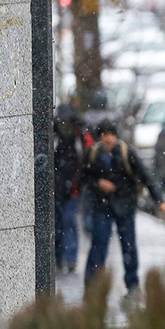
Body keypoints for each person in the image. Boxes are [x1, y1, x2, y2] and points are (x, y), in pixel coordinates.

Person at [82, 119, 165, 297]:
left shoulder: (126, 153)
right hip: (103, 206)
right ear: (100, 137)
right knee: (99, 244)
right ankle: (92, 285)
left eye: (111, 134)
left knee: (128, 246)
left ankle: (132, 285)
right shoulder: (93, 154)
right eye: (105, 135)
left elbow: (145, 175)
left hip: (125, 205)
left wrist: (159, 199)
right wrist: (99, 183)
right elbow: (84, 177)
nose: (108, 139)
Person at [53, 103, 92, 273]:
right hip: (57, 187)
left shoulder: (79, 134)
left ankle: (69, 259)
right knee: (58, 224)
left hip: (73, 188)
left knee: (68, 221)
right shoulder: (54, 134)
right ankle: (59, 258)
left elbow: (89, 153)